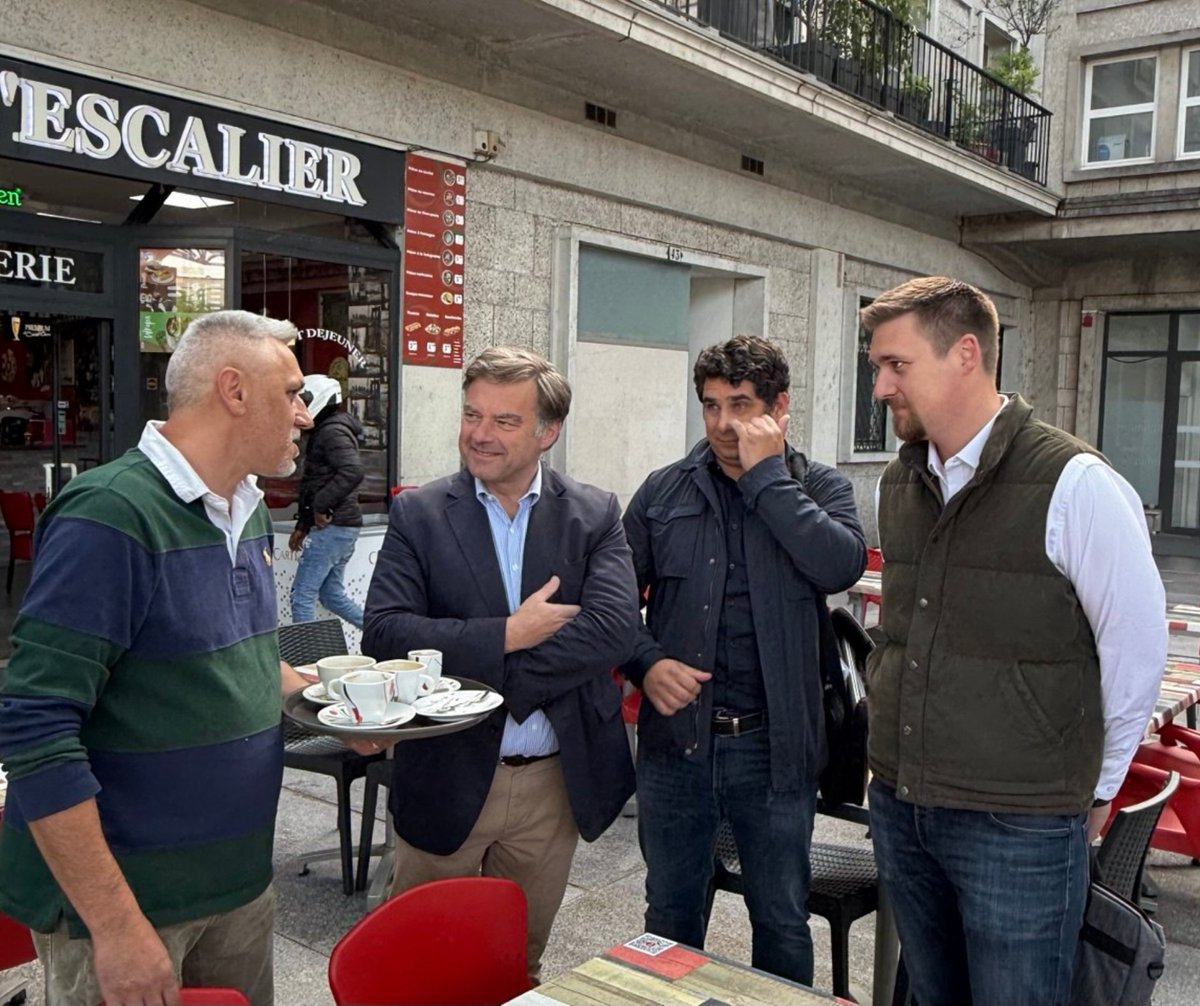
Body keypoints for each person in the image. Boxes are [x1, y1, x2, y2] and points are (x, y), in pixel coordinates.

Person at [862, 276, 1167, 1006]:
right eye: (877, 367)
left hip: (1019, 825)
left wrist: (1099, 786)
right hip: (906, 806)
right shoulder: (902, 481)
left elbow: (1136, 647)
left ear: (965, 354)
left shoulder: (1076, 484)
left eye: (895, 365)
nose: (879, 387)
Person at [0, 310, 315, 1006]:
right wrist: (114, 927)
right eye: (292, 393)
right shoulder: (110, 515)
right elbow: (33, 728)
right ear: (234, 391)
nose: (304, 414)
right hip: (128, 906)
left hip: (237, 886)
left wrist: (324, 701)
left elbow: (242, 663)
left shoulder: (248, 509)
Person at [362, 347, 638, 980]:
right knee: (421, 968)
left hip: (551, 786)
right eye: (471, 415)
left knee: (513, 964)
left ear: (548, 431)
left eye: (504, 421)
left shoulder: (594, 513)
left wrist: (490, 682)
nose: (479, 434)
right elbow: (384, 633)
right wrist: (508, 635)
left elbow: (614, 630)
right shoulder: (420, 514)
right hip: (446, 769)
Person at [620, 335, 867, 984]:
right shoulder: (663, 492)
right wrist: (645, 662)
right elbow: (609, 603)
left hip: (774, 749)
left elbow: (839, 565)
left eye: (741, 405)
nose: (724, 424)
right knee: (669, 913)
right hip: (677, 748)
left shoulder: (818, 487)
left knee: (781, 918)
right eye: (710, 407)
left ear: (780, 407)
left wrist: (767, 478)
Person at [289, 373, 366, 629]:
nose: (299, 407)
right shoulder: (330, 429)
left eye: (304, 399)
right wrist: (304, 523)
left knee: (302, 596)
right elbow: (315, 481)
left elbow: (352, 471)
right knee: (331, 596)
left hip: (334, 526)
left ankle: (307, 662)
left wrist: (322, 506)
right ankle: (383, 635)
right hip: (341, 526)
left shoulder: (331, 431)